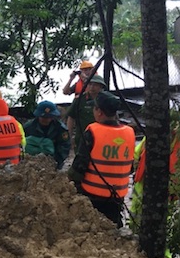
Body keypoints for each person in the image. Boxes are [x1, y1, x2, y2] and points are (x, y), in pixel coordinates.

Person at [68, 91, 135, 228]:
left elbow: (80, 165)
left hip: (92, 195)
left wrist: (70, 185)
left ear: (99, 112)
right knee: (113, 228)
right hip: (117, 196)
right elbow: (130, 166)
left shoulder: (93, 131)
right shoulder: (129, 132)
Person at [129, 125, 180, 231]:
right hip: (144, 191)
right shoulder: (149, 138)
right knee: (136, 223)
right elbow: (135, 155)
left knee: (161, 227)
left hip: (166, 195)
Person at [23, 100, 70, 170]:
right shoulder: (28, 127)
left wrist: (54, 161)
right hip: (31, 164)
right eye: (43, 117)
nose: (46, 120)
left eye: (49, 117)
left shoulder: (60, 129)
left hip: (54, 163)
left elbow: (64, 147)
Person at [66, 74, 107, 151]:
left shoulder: (106, 100)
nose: (92, 87)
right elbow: (71, 118)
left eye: (95, 85)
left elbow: (114, 118)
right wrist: (69, 137)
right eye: (90, 84)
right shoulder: (79, 99)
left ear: (101, 86)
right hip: (82, 138)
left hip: (102, 137)